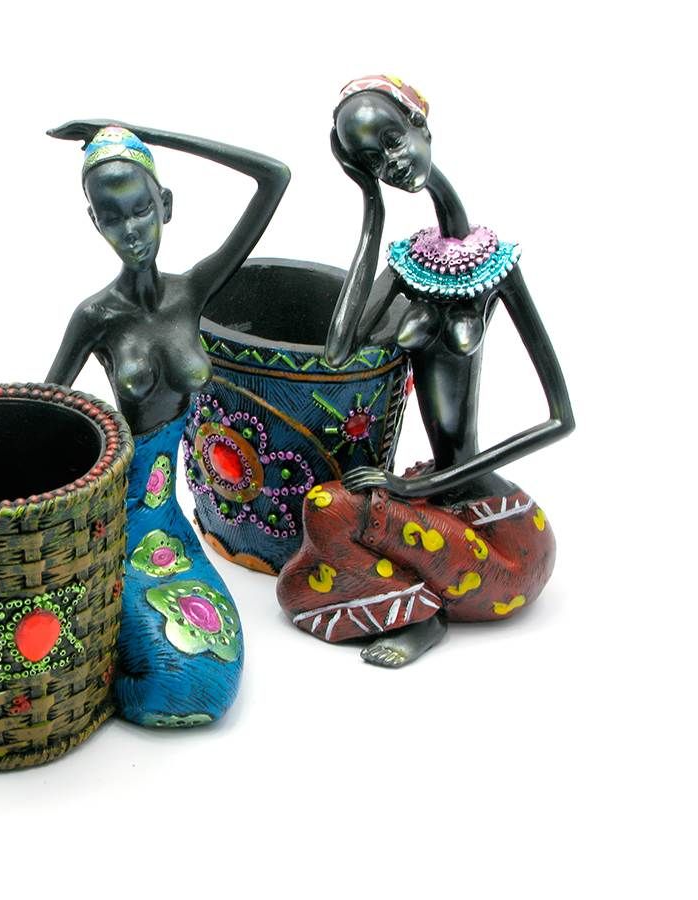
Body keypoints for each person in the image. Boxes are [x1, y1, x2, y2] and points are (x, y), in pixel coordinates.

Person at [276, 76, 574, 667]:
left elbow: (559, 419)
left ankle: (421, 616)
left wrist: (413, 490)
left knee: (329, 510)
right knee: (294, 587)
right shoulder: (409, 263)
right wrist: (371, 204)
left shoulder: (497, 266)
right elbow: (338, 350)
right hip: (435, 506)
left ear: (422, 127)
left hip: (505, 542)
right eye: (371, 161)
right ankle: (418, 601)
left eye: (391, 142)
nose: (390, 165)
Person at [46, 121, 289, 725]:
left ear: (166, 206)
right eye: (112, 218)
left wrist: (146, 134)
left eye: (142, 210)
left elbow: (274, 179)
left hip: (169, 515)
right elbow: (45, 410)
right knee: (176, 681)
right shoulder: (95, 316)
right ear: (95, 223)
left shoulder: (192, 291)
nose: (131, 231)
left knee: (211, 669)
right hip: (119, 517)